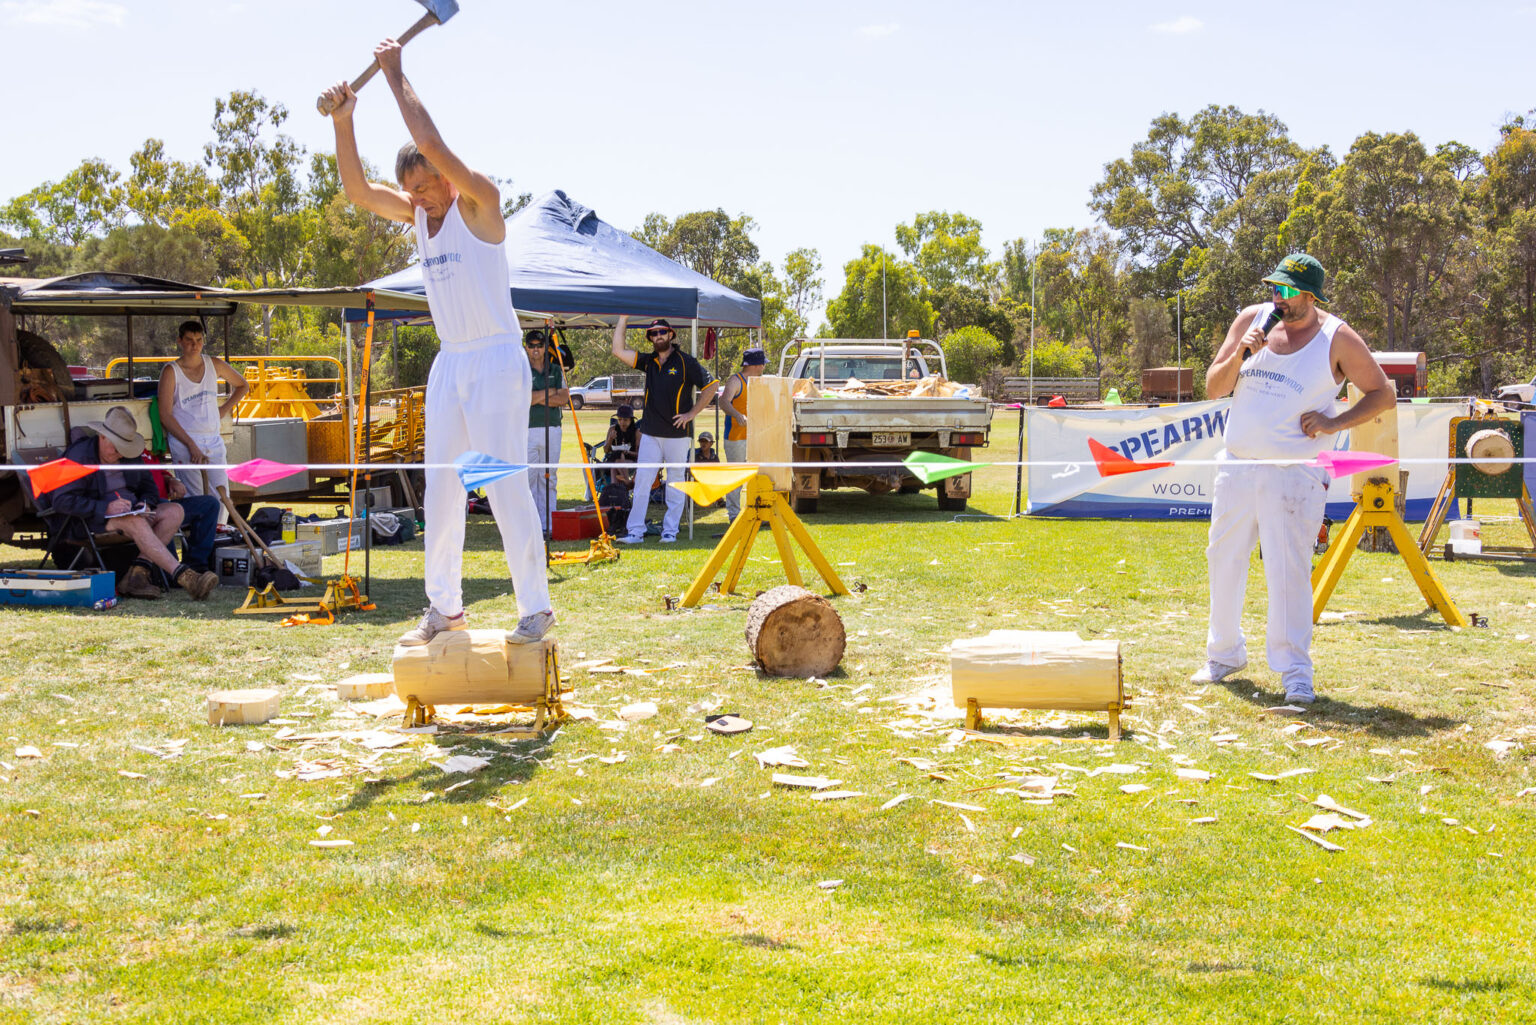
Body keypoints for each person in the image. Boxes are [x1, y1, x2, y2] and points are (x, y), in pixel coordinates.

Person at [322, 39, 554, 647]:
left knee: (502, 484)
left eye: (427, 187)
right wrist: (345, 122)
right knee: (443, 487)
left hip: (498, 357)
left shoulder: (480, 204)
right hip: (450, 363)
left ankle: (536, 609)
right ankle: (444, 610)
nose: (420, 199)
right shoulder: (418, 215)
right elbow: (358, 191)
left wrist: (396, 75)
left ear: (448, 180)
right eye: (413, 191)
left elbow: (430, 145)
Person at [1194, 253, 1394, 706]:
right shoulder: (1252, 320)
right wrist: (1244, 352)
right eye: (1274, 289)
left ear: (1310, 295)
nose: (1277, 299)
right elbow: (1213, 387)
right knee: (1223, 558)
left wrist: (1332, 422)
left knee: (1287, 572)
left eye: (1287, 292)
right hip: (1238, 464)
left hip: (1294, 474)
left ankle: (1295, 673)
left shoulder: (1336, 338)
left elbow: (1384, 393)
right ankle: (1223, 655)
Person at [48, 406, 220, 600]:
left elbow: (149, 488)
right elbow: (62, 500)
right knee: (135, 522)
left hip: (130, 511)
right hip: (91, 519)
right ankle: (186, 577)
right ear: (102, 437)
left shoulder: (129, 453)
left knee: (175, 511)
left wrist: (145, 504)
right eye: (116, 448)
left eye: (124, 449)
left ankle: (137, 574)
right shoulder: (80, 456)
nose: (120, 454)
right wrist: (105, 507)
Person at [610, 316, 719, 543]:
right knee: (641, 483)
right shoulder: (648, 361)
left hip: (677, 436)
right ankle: (635, 532)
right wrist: (623, 318)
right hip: (650, 433)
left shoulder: (685, 361)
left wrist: (692, 414)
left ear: (671, 335)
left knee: (676, 482)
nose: (658, 336)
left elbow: (712, 385)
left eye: (662, 332)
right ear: (651, 338)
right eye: (654, 333)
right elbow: (618, 350)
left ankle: (670, 533)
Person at [157, 320, 248, 507]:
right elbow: (165, 415)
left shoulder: (214, 364)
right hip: (185, 441)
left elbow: (243, 385)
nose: (194, 345)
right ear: (180, 341)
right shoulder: (171, 371)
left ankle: (220, 531)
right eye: (189, 340)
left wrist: (223, 410)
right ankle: (201, 535)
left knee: (223, 499)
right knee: (196, 498)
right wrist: (190, 444)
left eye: (199, 340)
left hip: (213, 439)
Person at [524, 328, 568, 535]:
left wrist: (538, 396)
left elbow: (564, 398)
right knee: (530, 477)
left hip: (553, 429)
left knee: (548, 477)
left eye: (539, 345)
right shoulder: (521, 370)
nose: (535, 349)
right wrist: (550, 393)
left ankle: (549, 523)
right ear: (526, 347)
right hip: (528, 430)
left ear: (544, 347)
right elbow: (525, 400)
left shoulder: (556, 369)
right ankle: (531, 523)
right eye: (531, 345)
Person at [716, 348, 766, 520]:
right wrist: (737, 415)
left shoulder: (759, 382)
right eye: (762, 364)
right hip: (735, 438)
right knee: (736, 477)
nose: (763, 368)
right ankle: (734, 515)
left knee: (757, 475)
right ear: (756, 365)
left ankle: (756, 511)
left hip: (755, 438)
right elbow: (723, 402)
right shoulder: (735, 381)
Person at [604, 404, 638, 487]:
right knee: (617, 456)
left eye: (625, 420)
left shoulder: (637, 433)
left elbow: (639, 454)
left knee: (615, 464)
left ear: (631, 420)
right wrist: (610, 439)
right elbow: (606, 450)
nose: (622, 422)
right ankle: (628, 483)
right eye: (619, 419)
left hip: (631, 461)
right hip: (612, 459)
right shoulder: (612, 429)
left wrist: (628, 452)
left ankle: (616, 493)